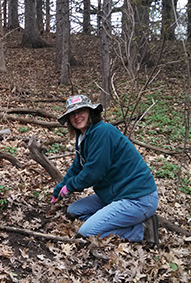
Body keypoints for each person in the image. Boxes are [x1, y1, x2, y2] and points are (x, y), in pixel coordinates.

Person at [51, 95, 160, 244]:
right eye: (72, 114)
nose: (77, 116)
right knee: (73, 211)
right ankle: (115, 220)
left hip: (138, 198)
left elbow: (94, 173)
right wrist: (58, 190)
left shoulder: (102, 132)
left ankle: (140, 230)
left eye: (81, 111)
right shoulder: (83, 137)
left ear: (90, 112)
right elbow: (76, 168)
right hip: (113, 194)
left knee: (86, 233)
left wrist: (70, 186)